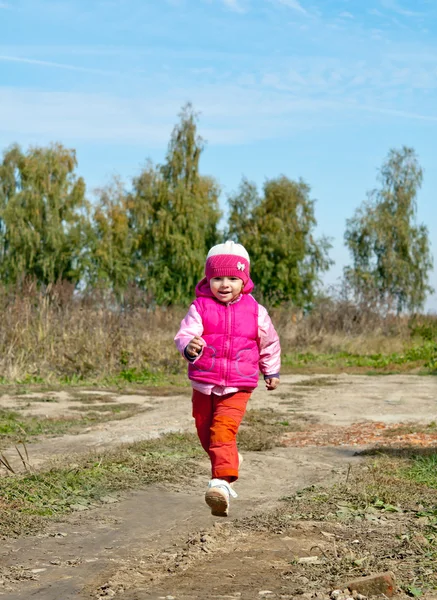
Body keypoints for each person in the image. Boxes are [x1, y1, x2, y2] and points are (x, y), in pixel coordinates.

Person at [174, 240, 281, 517]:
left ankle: (220, 485)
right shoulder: (200, 307)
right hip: (204, 382)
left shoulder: (256, 311)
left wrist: (270, 370)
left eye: (233, 278)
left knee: (222, 432)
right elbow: (185, 334)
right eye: (218, 278)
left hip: (238, 385)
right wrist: (190, 346)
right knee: (205, 432)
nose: (225, 284)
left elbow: (269, 343)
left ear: (244, 280)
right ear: (208, 279)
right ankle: (231, 459)